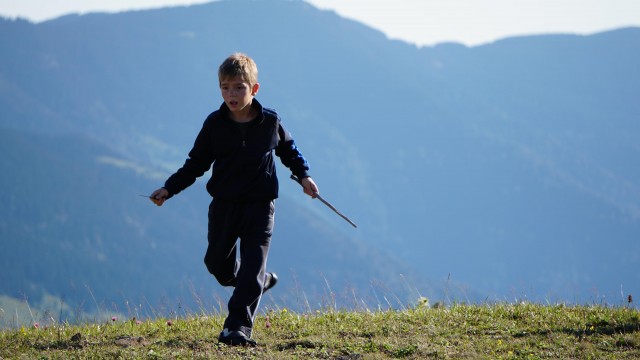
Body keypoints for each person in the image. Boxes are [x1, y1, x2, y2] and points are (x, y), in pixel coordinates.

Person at [149, 52, 318, 346]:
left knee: (252, 267)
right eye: (225, 87)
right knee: (217, 264)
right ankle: (257, 283)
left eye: (239, 87)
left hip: (260, 206)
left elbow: (289, 151)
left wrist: (304, 176)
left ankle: (236, 328)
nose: (232, 94)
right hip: (225, 206)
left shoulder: (270, 122)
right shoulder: (214, 125)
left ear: (254, 89)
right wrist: (169, 188)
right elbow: (196, 163)